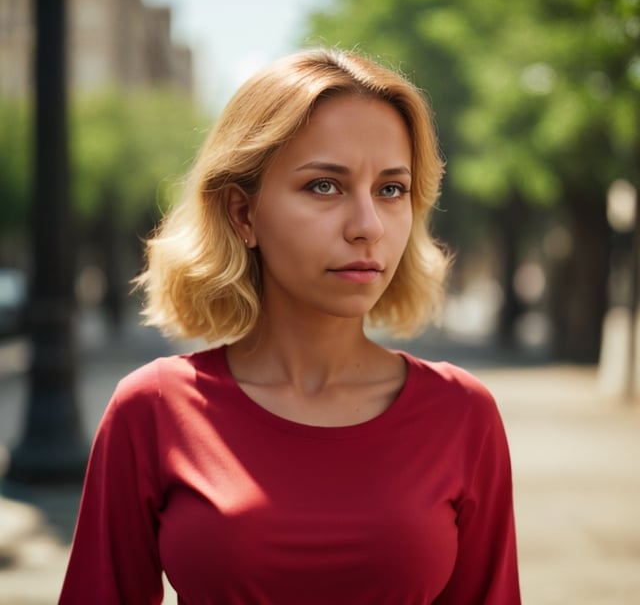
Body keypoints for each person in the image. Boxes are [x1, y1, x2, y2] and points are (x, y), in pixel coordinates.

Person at [59, 48, 520, 604]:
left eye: (391, 190)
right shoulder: (153, 409)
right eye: (325, 185)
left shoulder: (462, 414)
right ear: (242, 214)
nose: (368, 226)